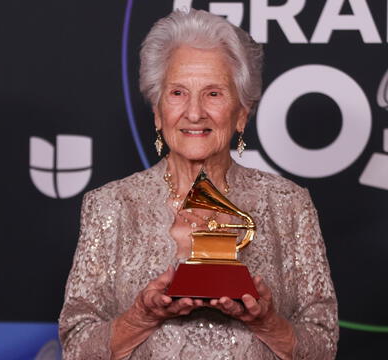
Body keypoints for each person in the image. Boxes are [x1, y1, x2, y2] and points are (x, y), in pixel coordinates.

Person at [58, 8, 338, 359]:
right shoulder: (111, 205)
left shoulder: (289, 205)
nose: (194, 113)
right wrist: (140, 317)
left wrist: (267, 322)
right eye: (177, 93)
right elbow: (75, 346)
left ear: (241, 114)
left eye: (213, 94)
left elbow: (323, 347)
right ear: (158, 112)